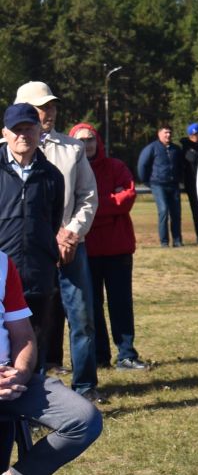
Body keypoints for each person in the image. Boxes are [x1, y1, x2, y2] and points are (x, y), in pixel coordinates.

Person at [0, 216, 103, 475]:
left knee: (83, 419)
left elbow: (23, 334)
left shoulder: (3, 264)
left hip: (11, 380)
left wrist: (19, 371)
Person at [16, 81, 99, 402]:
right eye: (40, 106)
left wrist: (71, 232)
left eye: (51, 105)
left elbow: (87, 197)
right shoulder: (6, 150)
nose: (47, 112)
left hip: (69, 247)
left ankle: (85, 385)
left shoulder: (72, 149)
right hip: (27, 252)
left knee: (82, 318)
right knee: (27, 322)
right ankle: (29, 384)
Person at [72, 123, 147, 371]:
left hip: (118, 249)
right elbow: (69, 205)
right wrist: (108, 204)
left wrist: (90, 208)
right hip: (86, 250)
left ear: (98, 141)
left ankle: (126, 354)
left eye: (90, 139)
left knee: (121, 304)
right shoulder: (70, 169)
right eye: (80, 140)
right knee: (90, 307)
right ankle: (99, 356)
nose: (86, 144)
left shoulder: (116, 167)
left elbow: (126, 198)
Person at [0, 104, 69, 369]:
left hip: (37, 274)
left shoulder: (52, 175)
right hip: (2, 273)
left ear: (39, 131)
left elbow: (52, 222)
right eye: (16, 130)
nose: (23, 135)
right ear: (5, 133)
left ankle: (34, 401)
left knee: (35, 341)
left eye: (28, 128)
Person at [136, 125, 186, 247]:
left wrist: (179, 179)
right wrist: (146, 181)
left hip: (173, 185)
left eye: (170, 132)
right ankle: (164, 242)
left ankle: (177, 241)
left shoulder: (176, 149)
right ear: (159, 134)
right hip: (158, 184)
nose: (168, 135)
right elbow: (142, 165)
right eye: (165, 133)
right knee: (163, 211)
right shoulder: (152, 148)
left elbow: (181, 166)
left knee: (176, 213)